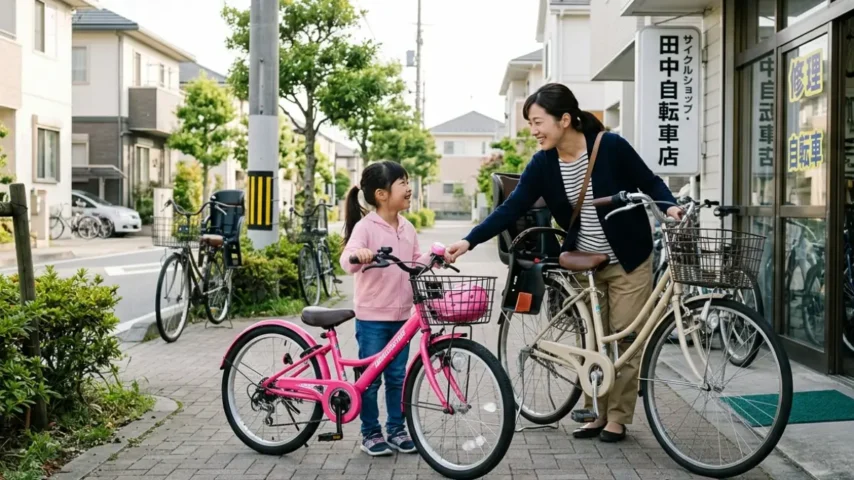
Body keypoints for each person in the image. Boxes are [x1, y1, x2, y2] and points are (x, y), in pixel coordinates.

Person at [444, 83, 683, 443]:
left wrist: (669, 207)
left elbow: (649, 181)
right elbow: (511, 208)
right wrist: (468, 240)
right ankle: (595, 412)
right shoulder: (543, 163)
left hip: (629, 258)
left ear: (566, 120)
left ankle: (617, 417)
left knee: (625, 337)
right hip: (583, 262)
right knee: (592, 341)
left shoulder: (611, 147)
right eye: (530, 123)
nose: (534, 130)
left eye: (538, 122)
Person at [339, 161, 429, 456]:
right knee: (370, 380)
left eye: (407, 181)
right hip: (373, 318)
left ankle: (396, 429)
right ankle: (370, 433)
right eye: (402, 182)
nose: (408, 187)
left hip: (402, 316)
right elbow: (346, 259)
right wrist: (359, 255)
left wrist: (435, 257)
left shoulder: (407, 227)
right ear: (381, 194)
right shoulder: (366, 227)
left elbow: (415, 262)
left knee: (397, 377)